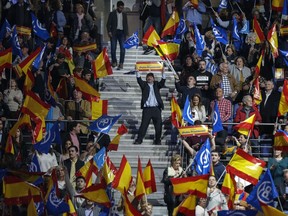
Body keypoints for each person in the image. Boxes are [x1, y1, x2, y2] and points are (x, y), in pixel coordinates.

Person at [134, 69, 166, 145]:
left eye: (151, 77)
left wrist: (163, 73)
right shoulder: (144, 85)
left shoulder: (156, 85)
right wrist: (137, 71)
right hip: (147, 109)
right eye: (148, 77)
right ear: (146, 79)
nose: (149, 78)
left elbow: (162, 82)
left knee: (158, 125)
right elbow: (139, 80)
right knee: (144, 125)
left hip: (156, 108)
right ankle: (139, 139)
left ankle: (158, 140)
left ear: (153, 78)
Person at [106, 1, 128, 70]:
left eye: (122, 8)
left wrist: (126, 33)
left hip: (122, 33)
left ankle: (121, 63)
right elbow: (108, 24)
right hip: (114, 33)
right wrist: (109, 31)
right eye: (120, 8)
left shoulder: (124, 14)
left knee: (123, 49)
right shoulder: (112, 14)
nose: (121, 9)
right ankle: (114, 61)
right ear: (117, 7)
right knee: (113, 48)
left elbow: (125, 24)